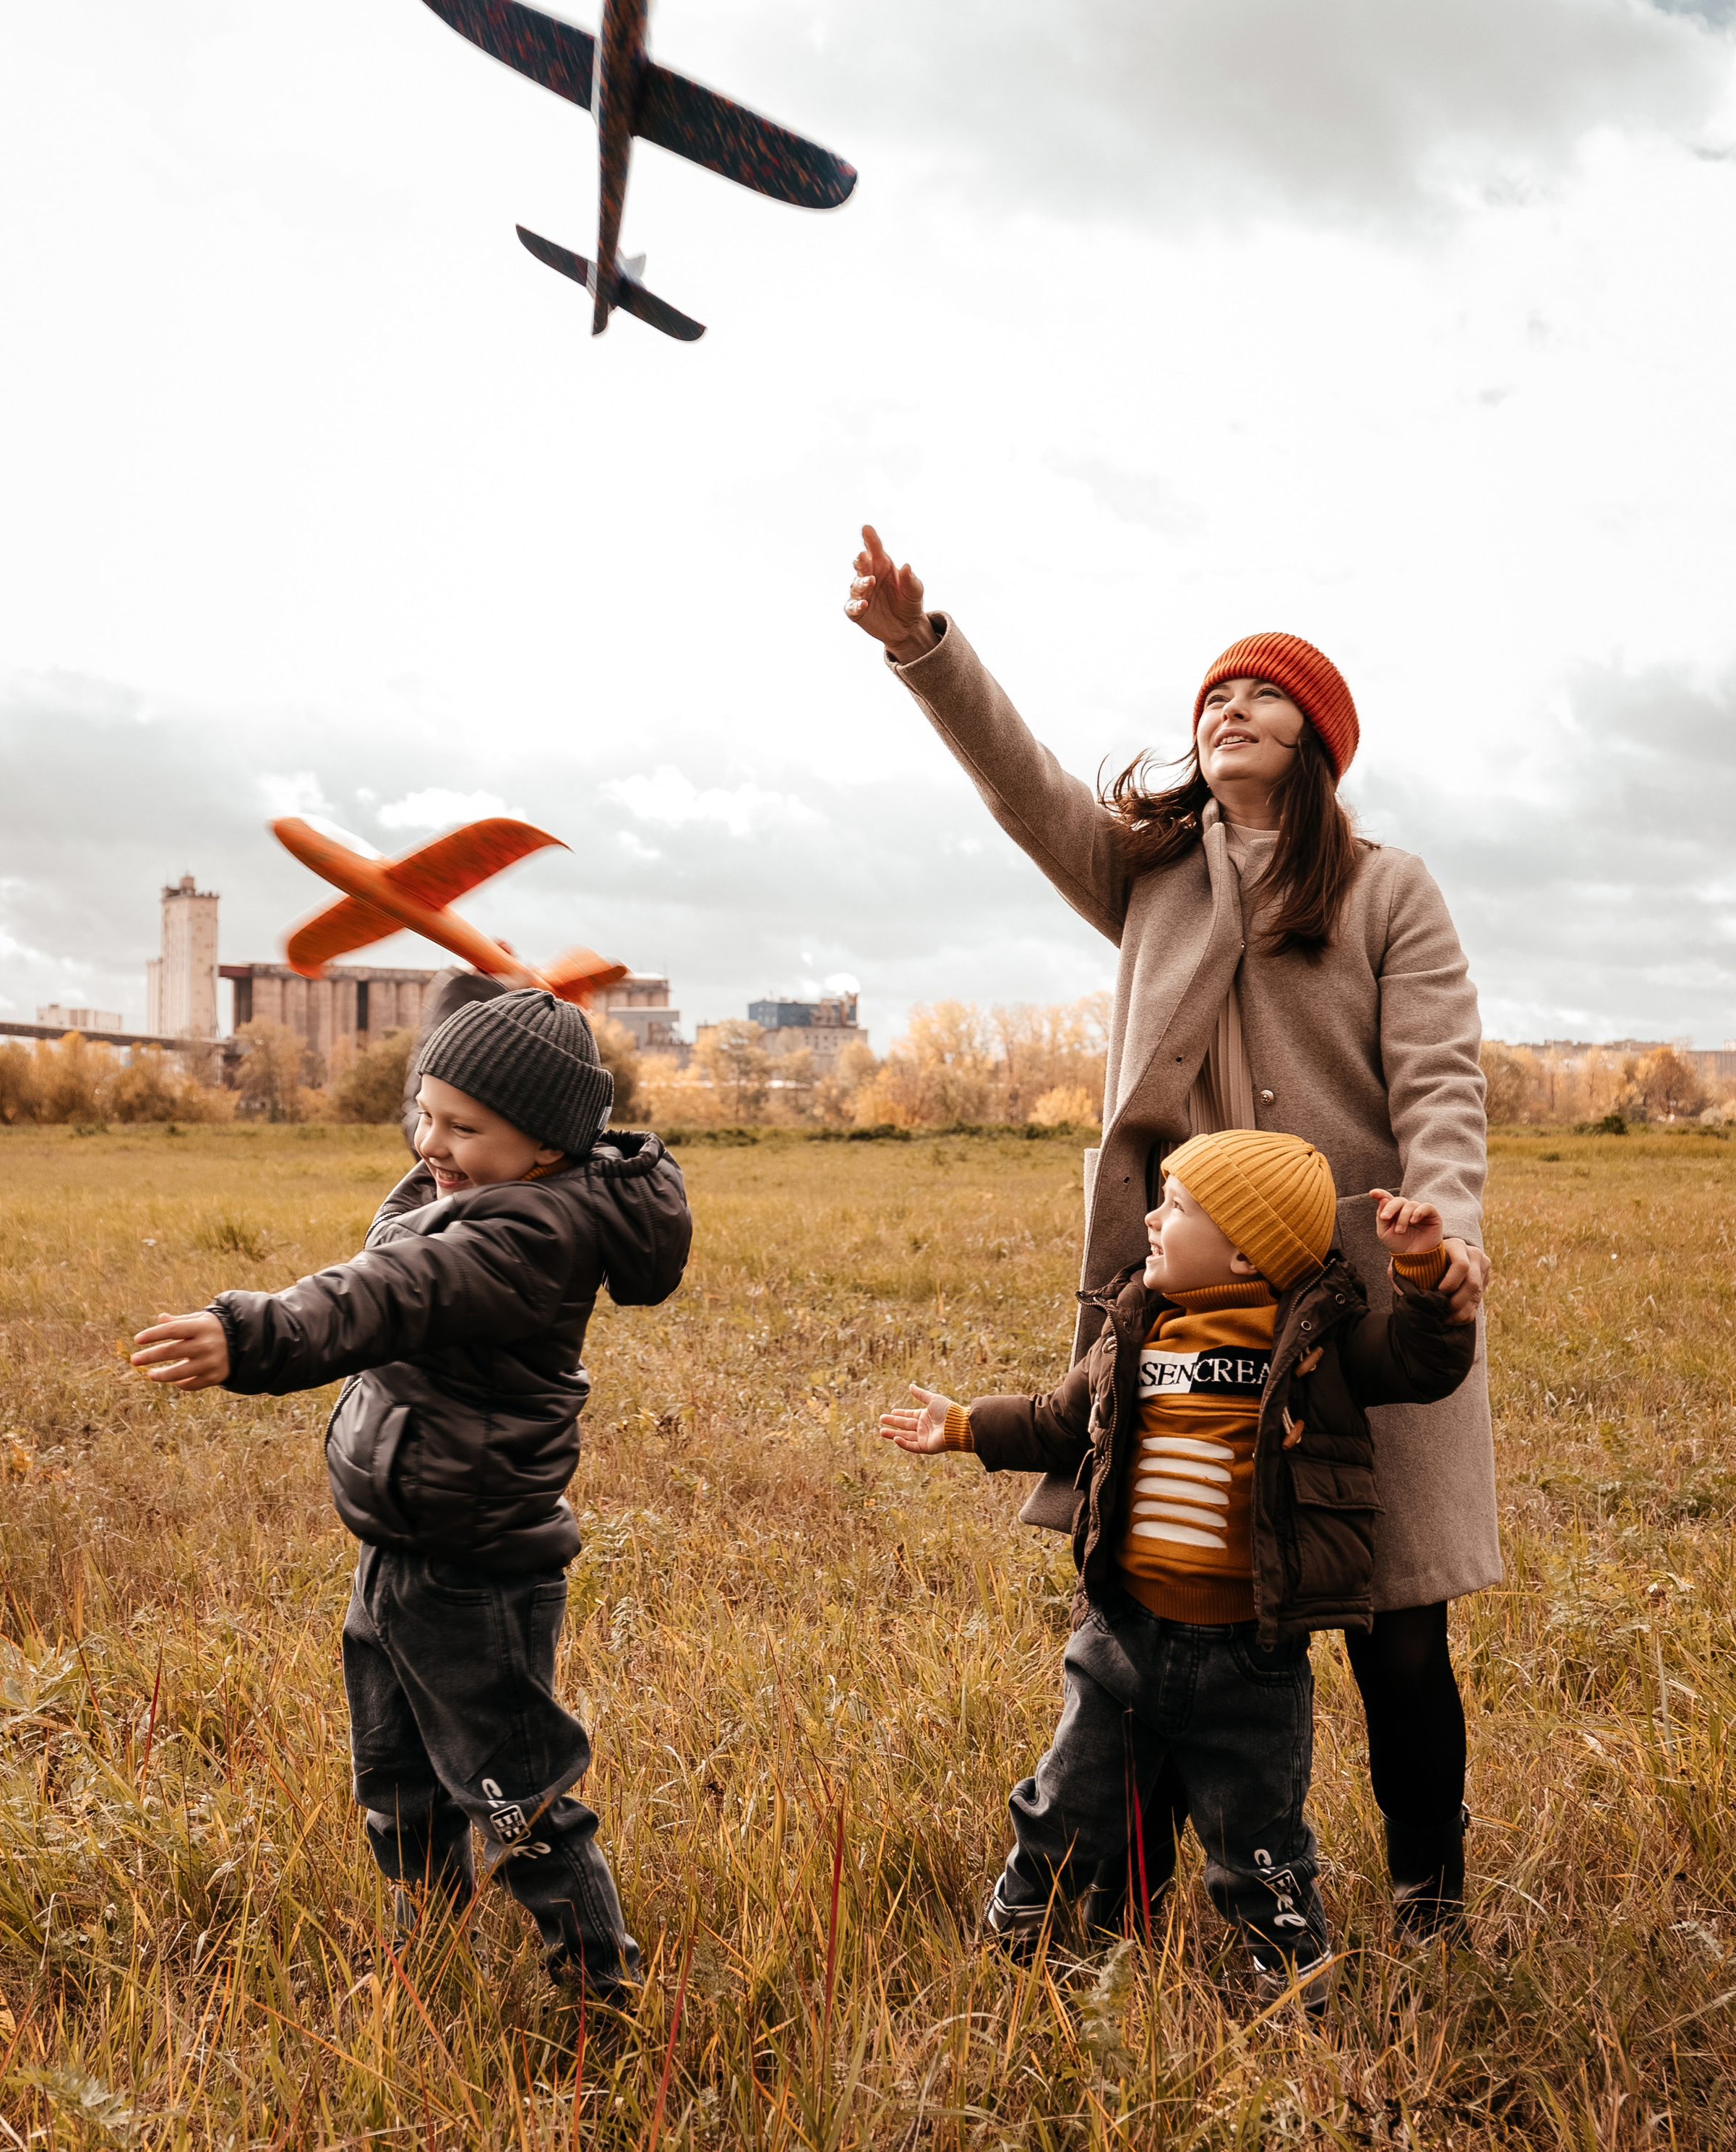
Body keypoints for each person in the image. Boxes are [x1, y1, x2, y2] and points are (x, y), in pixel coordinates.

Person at [847, 526, 1495, 1939]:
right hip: (1183, 1288)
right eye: (1212, 694)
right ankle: (1123, 1891)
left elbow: (1442, 1084)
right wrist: (921, 647)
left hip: (1363, 1297)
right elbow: (1020, 783)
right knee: (1160, 1601)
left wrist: (1440, 1242)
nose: (1227, 708)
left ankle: (1428, 1897)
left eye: (1263, 694)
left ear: (1318, 740)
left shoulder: (1387, 889)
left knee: (1398, 1624)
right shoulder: (1146, 875)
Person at [132, 985, 690, 2007]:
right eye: (425, 1113)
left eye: (462, 1127)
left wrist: (252, 1334)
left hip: (472, 1575)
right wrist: (458, 1071)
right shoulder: (489, 1192)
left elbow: (386, 1289)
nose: (432, 1142)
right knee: (397, 1777)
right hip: (403, 1551)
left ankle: (600, 1995)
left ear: (549, 1148)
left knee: (517, 1797)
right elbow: (408, 1231)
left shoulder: (525, 1238)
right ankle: (423, 1951)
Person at [881, 1129, 1474, 2001]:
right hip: (1121, 1639)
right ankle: (1017, 1927)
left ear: (1244, 1251)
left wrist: (1419, 1270)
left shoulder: (1320, 1342)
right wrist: (965, 1425)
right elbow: (1057, 1421)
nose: (1151, 1221)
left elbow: (1424, 1363)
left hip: (1255, 1656)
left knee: (1261, 1841)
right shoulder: (1135, 1330)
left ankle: (1291, 1977)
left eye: (1176, 1207)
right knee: (1064, 1803)